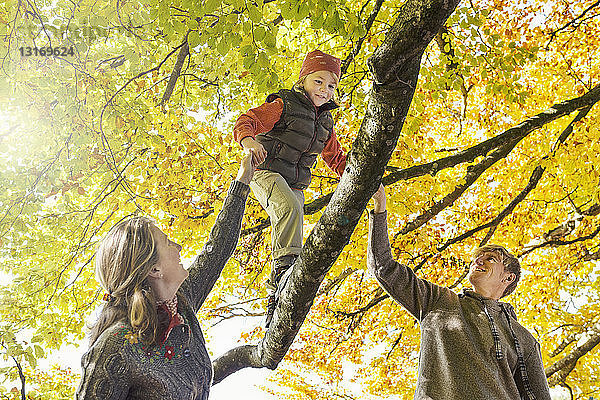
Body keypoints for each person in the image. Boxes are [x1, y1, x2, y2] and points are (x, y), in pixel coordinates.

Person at [76, 154, 255, 400]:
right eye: (168, 242)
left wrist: (243, 180)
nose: (179, 246)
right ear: (154, 270)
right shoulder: (115, 345)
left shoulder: (183, 305)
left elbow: (218, 248)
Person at [367, 184, 551, 399]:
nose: (478, 261)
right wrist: (380, 207)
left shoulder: (523, 338)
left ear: (508, 278)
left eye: (490, 259)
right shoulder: (438, 301)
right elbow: (384, 268)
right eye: (477, 258)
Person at [233, 50, 347, 327]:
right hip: (264, 171)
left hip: (295, 182)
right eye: (318, 81)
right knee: (288, 207)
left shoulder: (326, 123)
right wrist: (249, 142)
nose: (324, 90)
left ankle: (281, 294)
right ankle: (283, 270)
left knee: (295, 214)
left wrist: (360, 175)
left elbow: (335, 157)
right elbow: (247, 120)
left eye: (331, 86)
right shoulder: (284, 104)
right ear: (304, 80)